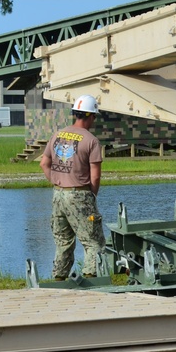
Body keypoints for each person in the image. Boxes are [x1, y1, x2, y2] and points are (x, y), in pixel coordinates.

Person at [40, 94, 105, 280]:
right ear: (91, 116)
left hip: (58, 195)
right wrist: (91, 196)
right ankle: (91, 280)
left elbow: (44, 163)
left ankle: (59, 280)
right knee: (94, 242)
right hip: (80, 194)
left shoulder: (57, 135)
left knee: (63, 242)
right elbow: (96, 175)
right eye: (94, 116)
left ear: (76, 114)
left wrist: (57, 181)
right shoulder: (91, 140)